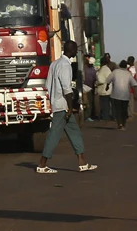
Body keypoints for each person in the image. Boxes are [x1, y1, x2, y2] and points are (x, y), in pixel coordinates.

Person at [36, 40, 96, 174]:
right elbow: (66, 89)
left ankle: (82, 162)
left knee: (74, 132)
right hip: (62, 106)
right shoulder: (65, 65)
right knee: (54, 135)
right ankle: (42, 164)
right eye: (75, 50)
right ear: (72, 50)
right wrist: (70, 107)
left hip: (57, 103)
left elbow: (48, 85)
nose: (76, 52)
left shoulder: (54, 64)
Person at [109, 60, 137, 130]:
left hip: (116, 95)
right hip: (125, 95)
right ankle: (123, 124)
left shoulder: (115, 72)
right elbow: (133, 84)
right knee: (124, 110)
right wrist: (135, 94)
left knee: (118, 110)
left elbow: (108, 80)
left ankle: (120, 124)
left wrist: (107, 86)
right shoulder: (128, 74)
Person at [95, 54, 114, 122]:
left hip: (103, 90)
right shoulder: (107, 69)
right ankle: (107, 116)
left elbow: (100, 80)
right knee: (107, 105)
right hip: (108, 90)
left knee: (104, 105)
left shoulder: (103, 69)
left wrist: (96, 83)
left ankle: (105, 117)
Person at [82, 55, 98, 120]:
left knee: (84, 103)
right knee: (89, 103)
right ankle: (87, 116)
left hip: (83, 87)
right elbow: (95, 79)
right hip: (89, 88)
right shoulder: (93, 71)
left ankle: (84, 115)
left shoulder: (85, 69)